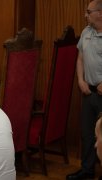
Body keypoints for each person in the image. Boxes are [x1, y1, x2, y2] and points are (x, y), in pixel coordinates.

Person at [66, 0, 102, 179]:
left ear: (100, 13)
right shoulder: (86, 32)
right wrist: (80, 80)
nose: (85, 14)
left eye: (88, 11)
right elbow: (80, 59)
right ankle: (87, 170)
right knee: (87, 134)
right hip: (88, 92)